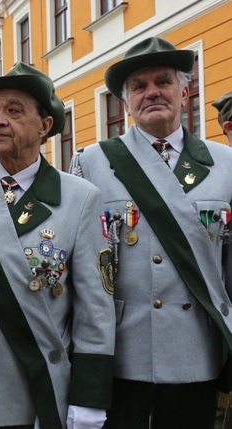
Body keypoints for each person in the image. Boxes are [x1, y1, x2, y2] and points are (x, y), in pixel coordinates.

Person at [0, 62, 116, 429]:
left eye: (13, 110)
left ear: (44, 126)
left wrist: (89, 397)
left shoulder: (80, 198)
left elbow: (95, 308)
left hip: (31, 383)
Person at [70, 36, 232, 429]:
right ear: (126, 102)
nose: (152, 92)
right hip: (123, 354)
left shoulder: (225, 164)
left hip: (199, 352)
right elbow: (83, 277)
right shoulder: (91, 164)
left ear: (185, 90)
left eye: (163, 81)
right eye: (139, 86)